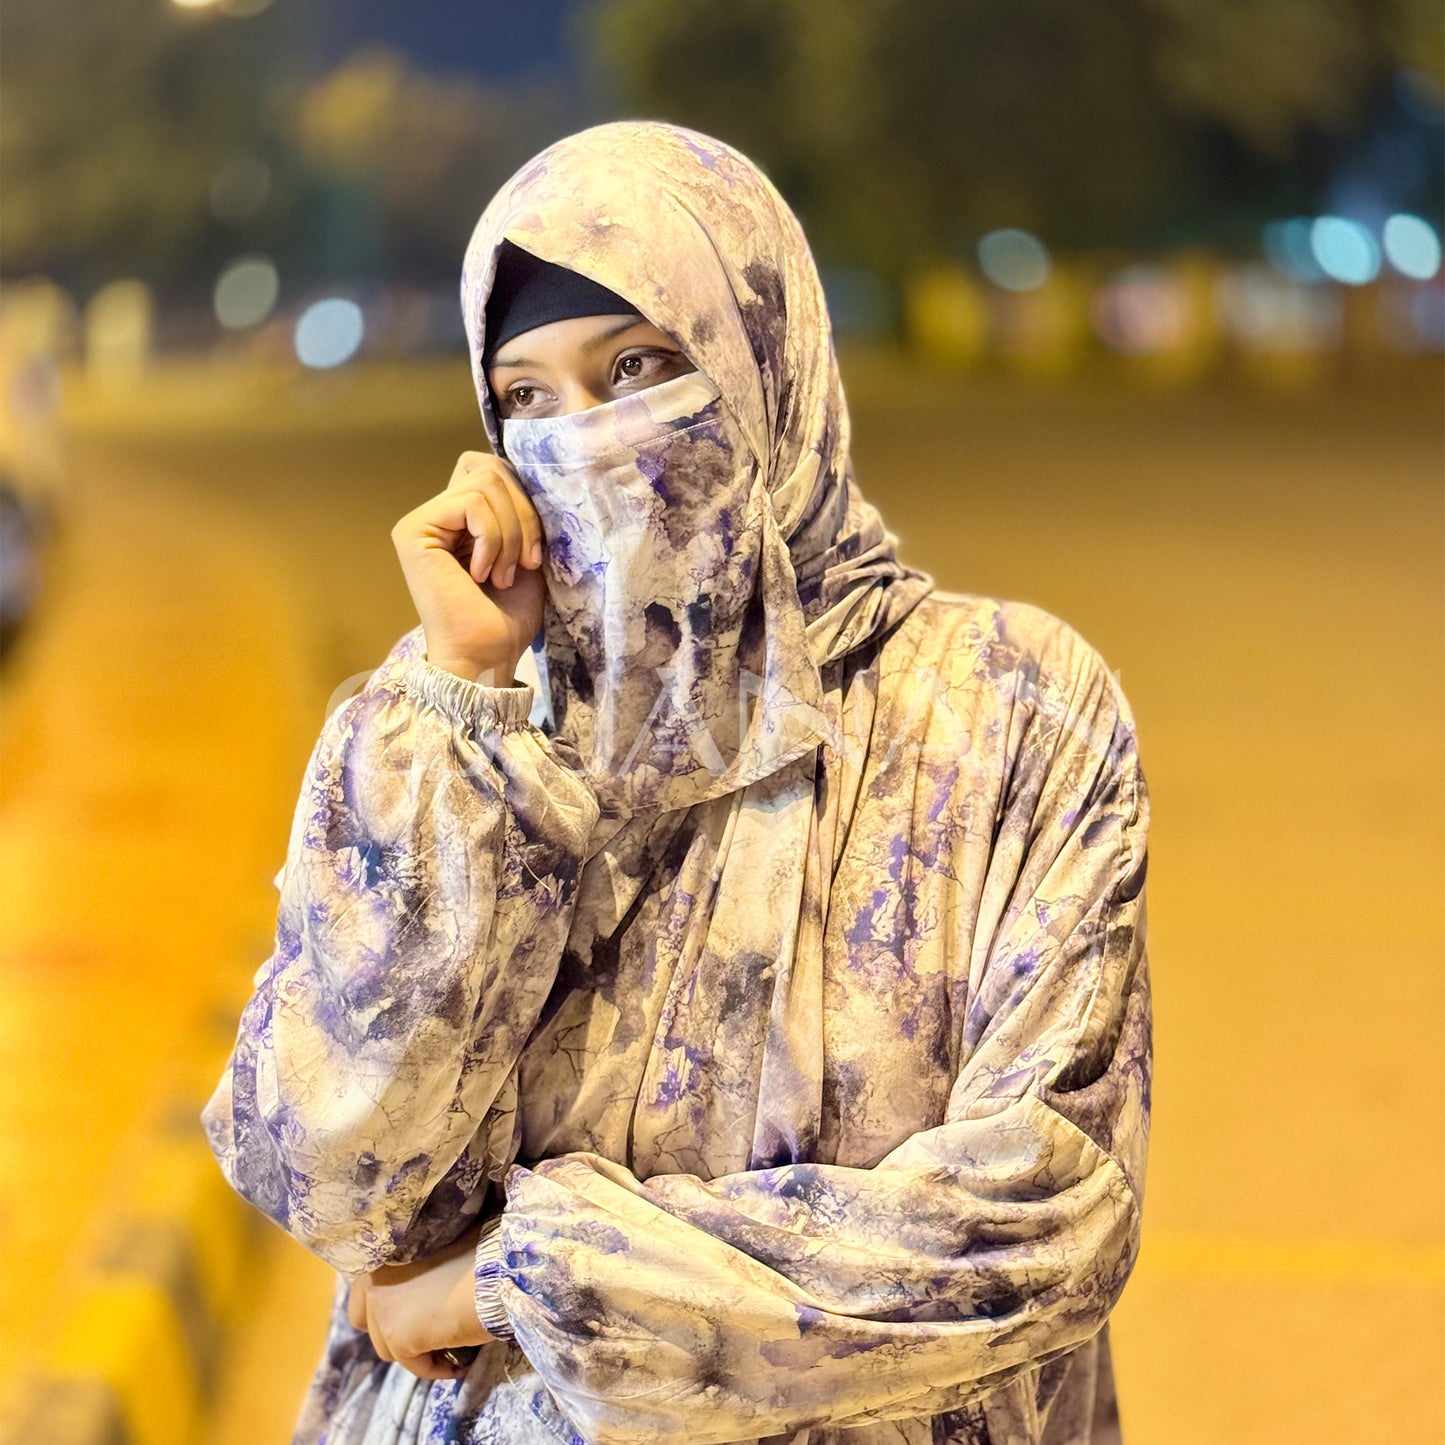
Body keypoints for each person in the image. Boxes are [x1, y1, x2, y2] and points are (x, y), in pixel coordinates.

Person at [202, 120, 1152, 1445]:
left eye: (638, 368)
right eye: (527, 399)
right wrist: (469, 721)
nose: (583, 443)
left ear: (768, 365)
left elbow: (1045, 1214)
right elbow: (333, 1177)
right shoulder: (456, 718)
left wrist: (514, 1283)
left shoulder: (1004, 708)